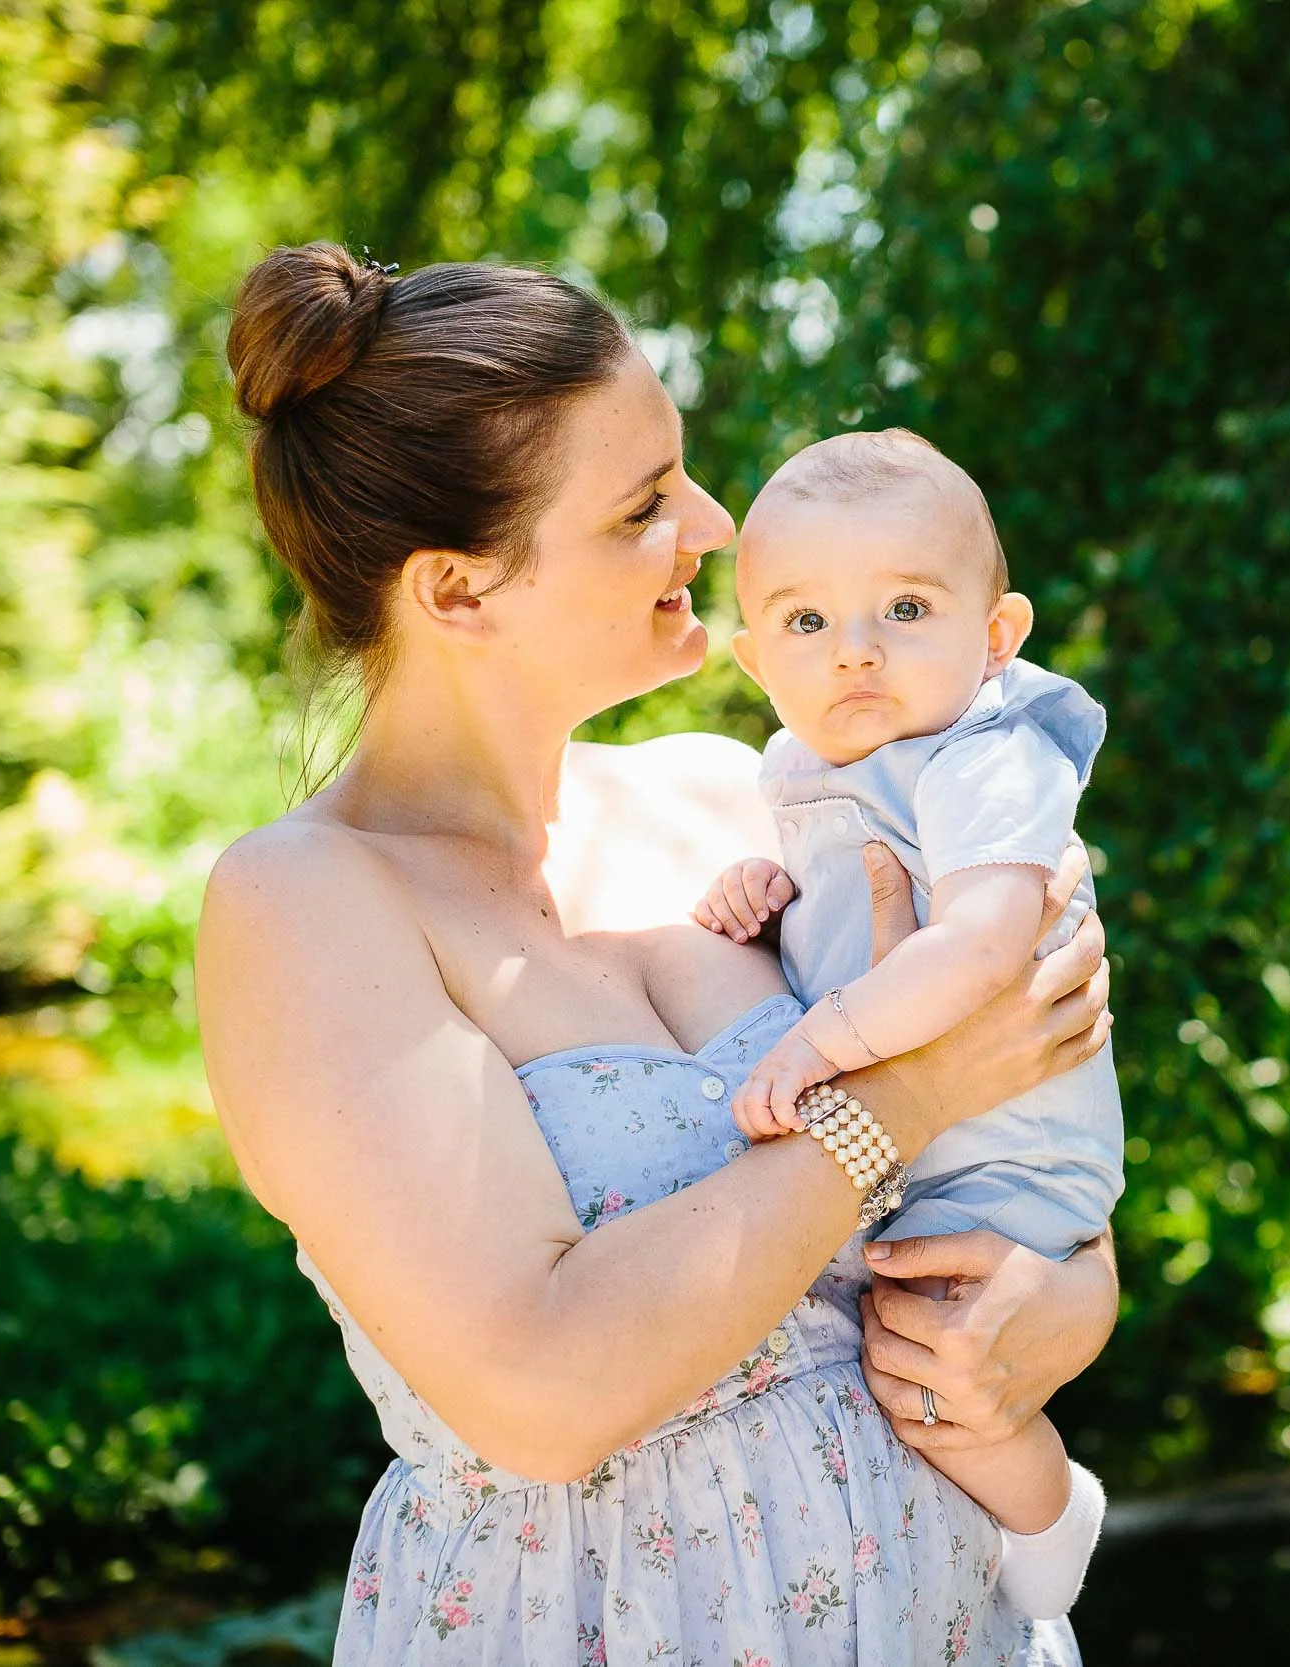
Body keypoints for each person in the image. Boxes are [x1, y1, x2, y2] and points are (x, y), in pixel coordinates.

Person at [193, 243, 1119, 1665]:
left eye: (680, 470)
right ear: (455, 589)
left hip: (948, 1619)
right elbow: (541, 1389)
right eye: (642, 504)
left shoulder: (748, 796)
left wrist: (1053, 1305)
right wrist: (902, 1098)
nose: (713, 520)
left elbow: (1039, 1137)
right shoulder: (306, 904)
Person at [695, 430, 1124, 1617]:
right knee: (900, 1349)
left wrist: (818, 1040)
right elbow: (842, 894)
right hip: (922, 1152)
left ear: (997, 633)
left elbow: (982, 938)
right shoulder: (802, 766)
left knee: (926, 1360)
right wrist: (762, 892)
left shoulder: (985, 748)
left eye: (904, 606)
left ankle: (1047, 1518)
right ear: (752, 657)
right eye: (807, 623)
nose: (859, 652)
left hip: (1006, 1156)